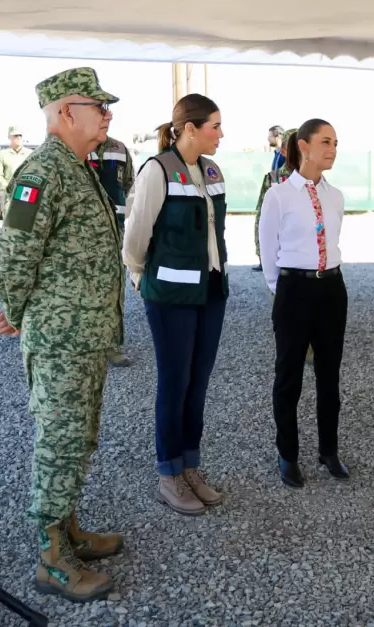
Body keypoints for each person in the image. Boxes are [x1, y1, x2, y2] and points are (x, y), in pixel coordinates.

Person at [0, 67, 124, 602]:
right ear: (67, 112)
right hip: (62, 341)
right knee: (60, 444)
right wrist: (16, 309)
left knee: (80, 439)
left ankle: (68, 532)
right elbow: (12, 254)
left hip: (86, 338)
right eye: (99, 107)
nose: (108, 115)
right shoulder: (39, 173)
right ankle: (50, 561)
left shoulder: (78, 168)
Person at [123, 94, 229, 517]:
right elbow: (136, 231)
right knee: (175, 382)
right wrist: (137, 274)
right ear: (189, 128)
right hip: (169, 297)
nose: (221, 134)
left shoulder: (212, 170)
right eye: (215, 126)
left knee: (198, 382)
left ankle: (191, 465)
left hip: (210, 293)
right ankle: (169, 472)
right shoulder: (157, 170)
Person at [259, 119, 349, 488]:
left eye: (336, 142)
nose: (333, 149)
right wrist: (282, 291)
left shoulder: (336, 195)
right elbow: (267, 250)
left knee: (330, 376)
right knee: (289, 376)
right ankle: (288, 455)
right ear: (304, 146)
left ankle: (329, 451)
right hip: (294, 290)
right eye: (325, 141)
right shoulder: (278, 195)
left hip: (332, 289)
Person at [88, 134, 136, 368]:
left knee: (112, 285)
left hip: (114, 227)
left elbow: (129, 184)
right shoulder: (74, 144)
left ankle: (111, 344)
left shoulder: (119, 148)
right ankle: (84, 341)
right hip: (81, 229)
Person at [253, 128, 296, 272]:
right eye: (294, 149)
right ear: (283, 151)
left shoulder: (315, 180)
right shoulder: (273, 179)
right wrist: (261, 251)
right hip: (279, 252)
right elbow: (261, 217)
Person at [0, 126, 33, 218]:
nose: (18, 137)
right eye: (15, 135)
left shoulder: (31, 154)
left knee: (26, 223)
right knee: (9, 223)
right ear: (9, 137)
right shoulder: (2, 155)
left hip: (26, 193)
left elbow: (36, 173)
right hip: (10, 194)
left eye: (20, 135)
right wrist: (8, 187)